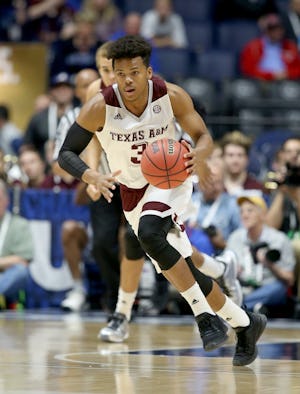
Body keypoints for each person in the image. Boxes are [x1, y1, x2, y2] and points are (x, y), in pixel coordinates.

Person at [58, 35, 267, 366]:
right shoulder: (100, 106)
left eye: (134, 72)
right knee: (180, 266)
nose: (127, 80)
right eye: (120, 73)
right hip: (132, 191)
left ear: (148, 71)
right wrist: (91, 174)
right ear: (112, 73)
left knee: (149, 234)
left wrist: (199, 155)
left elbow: (203, 137)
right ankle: (245, 324)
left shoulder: (171, 95)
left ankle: (204, 318)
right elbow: (66, 152)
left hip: (172, 178)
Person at [52, 68, 99, 312]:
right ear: (78, 91)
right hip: (84, 193)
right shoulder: (70, 118)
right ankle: (78, 288)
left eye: (96, 83)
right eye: (85, 85)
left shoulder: (115, 113)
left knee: (126, 234)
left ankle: (128, 294)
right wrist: (87, 173)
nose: (92, 88)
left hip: (114, 188)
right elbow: (57, 165)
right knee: (69, 230)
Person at [227, 195, 295, 314]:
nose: (244, 215)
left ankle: (237, 308)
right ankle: (254, 308)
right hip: (242, 287)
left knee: (279, 288)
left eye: (250, 210)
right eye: (242, 211)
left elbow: (290, 279)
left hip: (268, 286)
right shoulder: (235, 238)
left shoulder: (279, 239)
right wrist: (232, 269)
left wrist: (270, 265)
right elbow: (225, 270)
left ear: (262, 215)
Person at [265, 137, 300, 302]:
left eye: (298, 152)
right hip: (279, 240)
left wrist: (296, 195)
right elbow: (270, 227)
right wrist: (282, 190)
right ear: (281, 155)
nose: (294, 156)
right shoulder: (274, 181)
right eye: (289, 151)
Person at [22, 72, 75, 158]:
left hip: (76, 167)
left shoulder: (80, 115)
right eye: (57, 87)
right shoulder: (38, 118)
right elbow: (26, 147)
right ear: (51, 91)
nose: (62, 91)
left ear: (73, 91)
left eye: (66, 87)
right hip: (45, 168)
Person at [0, 179, 34, 307]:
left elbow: (23, 260)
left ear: (6, 200)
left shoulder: (19, 224)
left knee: (20, 272)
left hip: (6, 277)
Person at [240, 13, 300, 81]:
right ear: (266, 30)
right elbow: (247, 70)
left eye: (280, 28)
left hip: (285, 82)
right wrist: (271, 75)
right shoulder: (252, 47)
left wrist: (287, 74)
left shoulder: (290, 46)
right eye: (272, 28)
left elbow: (298, 69)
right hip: (261, 82)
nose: (277, 31)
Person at [220, 130, 268, 197]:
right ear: (223, 158)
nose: (235, 160)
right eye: (230, 155)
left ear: (247, 159)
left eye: (240, 155)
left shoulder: (257, 188)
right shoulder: (213, 188)